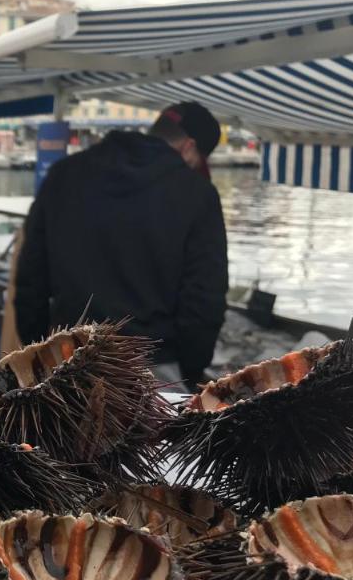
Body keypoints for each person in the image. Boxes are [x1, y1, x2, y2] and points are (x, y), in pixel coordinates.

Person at [15, 102, 228, 389]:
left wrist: (41, 354)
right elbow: (204, 299)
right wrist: (189, 371)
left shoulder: (64, 174)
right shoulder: (198, 194)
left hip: (66, 364)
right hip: (152, 375)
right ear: (189, 148)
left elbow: (30, 281)